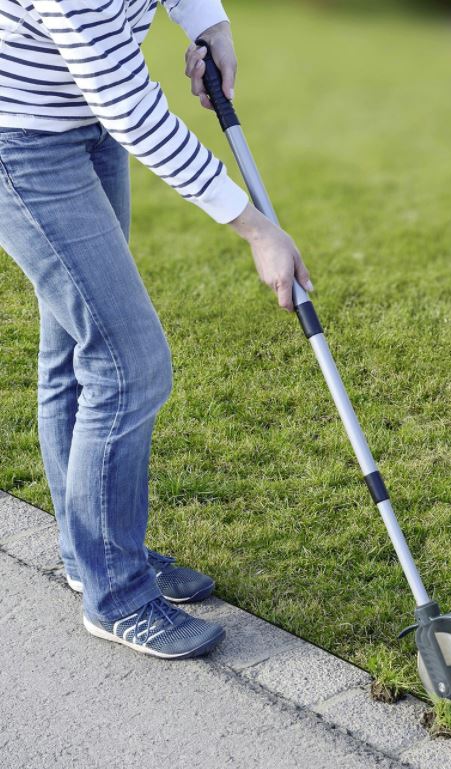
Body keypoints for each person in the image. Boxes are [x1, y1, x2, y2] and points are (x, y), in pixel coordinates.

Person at [0, 0, 312, 658]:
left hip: (80, 119)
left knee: (75, 349)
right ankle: (117, 595)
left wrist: (209, 24)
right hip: (21, 141)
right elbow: (128, 105)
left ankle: (93, 557)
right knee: (127, 362)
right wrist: (254, 226)